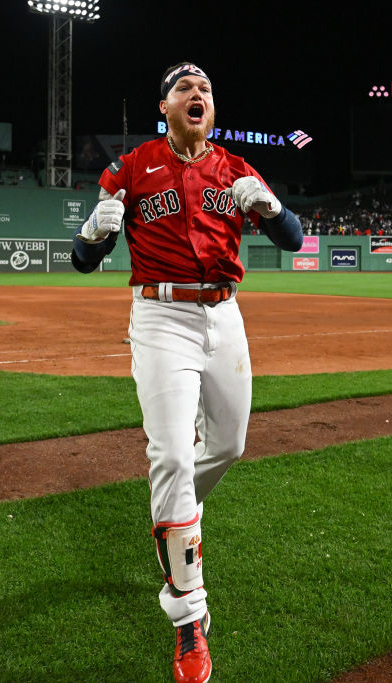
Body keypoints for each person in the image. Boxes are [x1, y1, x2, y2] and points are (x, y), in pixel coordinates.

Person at [71, 62, 303, 683]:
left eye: (204, 90)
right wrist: (94, 234)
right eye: (184, 89)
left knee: (229, 444)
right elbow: (83, 261)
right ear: (165, 105)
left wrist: (273, 207)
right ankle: (189, 619)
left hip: (224, 315)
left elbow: (293, 240)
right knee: (172, 456)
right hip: (160, 315)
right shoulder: (132, 167)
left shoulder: (235, 168)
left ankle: (173, 517)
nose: (196, 95)